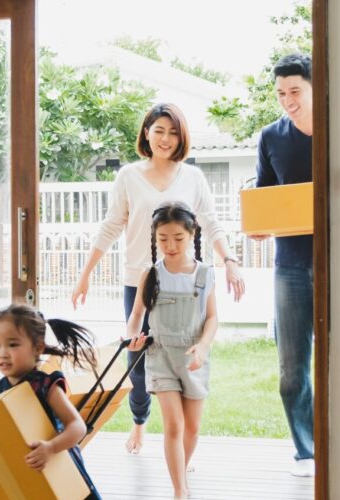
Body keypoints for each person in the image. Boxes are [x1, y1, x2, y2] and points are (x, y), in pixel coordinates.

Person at [71, 103, 245, 455]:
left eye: (173, 132)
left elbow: (210, 222)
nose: (166, 139)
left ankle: (181, 446)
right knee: (135, 362)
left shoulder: (192, 177)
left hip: (183, 287)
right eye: (159, 130)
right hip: (141, 283)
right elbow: (111, 226)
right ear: (146, 133)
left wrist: (229, 259)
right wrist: (85, 273)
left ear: (181, 137)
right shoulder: (129, 176)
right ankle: (139, 423)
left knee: (183, 363)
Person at [249, 53, 316, 477]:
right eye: (280, 94)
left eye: (295, 91)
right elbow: (264, 198)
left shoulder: (339, 126)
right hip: (290, 265)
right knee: (292, 369)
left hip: (338, 264)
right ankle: (306, 451)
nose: (287, 101)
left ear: (313, 87)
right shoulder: (271, 137)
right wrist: (259, 227)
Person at [0, 304, 101, 499]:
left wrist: (51, 448)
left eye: (13, 344)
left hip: (63, 477)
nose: (3, 353)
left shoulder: (45, 386)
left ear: (38, 347)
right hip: (29, 483)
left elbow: (77, 427)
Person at [124, 202, 218, 500]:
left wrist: (202, 347)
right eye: (163, 238)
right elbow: (137, 315)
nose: (170, 245)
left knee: (192, 428)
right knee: (174, 425)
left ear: (192, 235)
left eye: (178, 238)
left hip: (193, 359)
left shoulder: (205, 275)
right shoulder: (150, 274)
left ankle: (181, 471)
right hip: (161, 355)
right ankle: (179, 490)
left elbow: (213, 318)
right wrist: (132, 338)